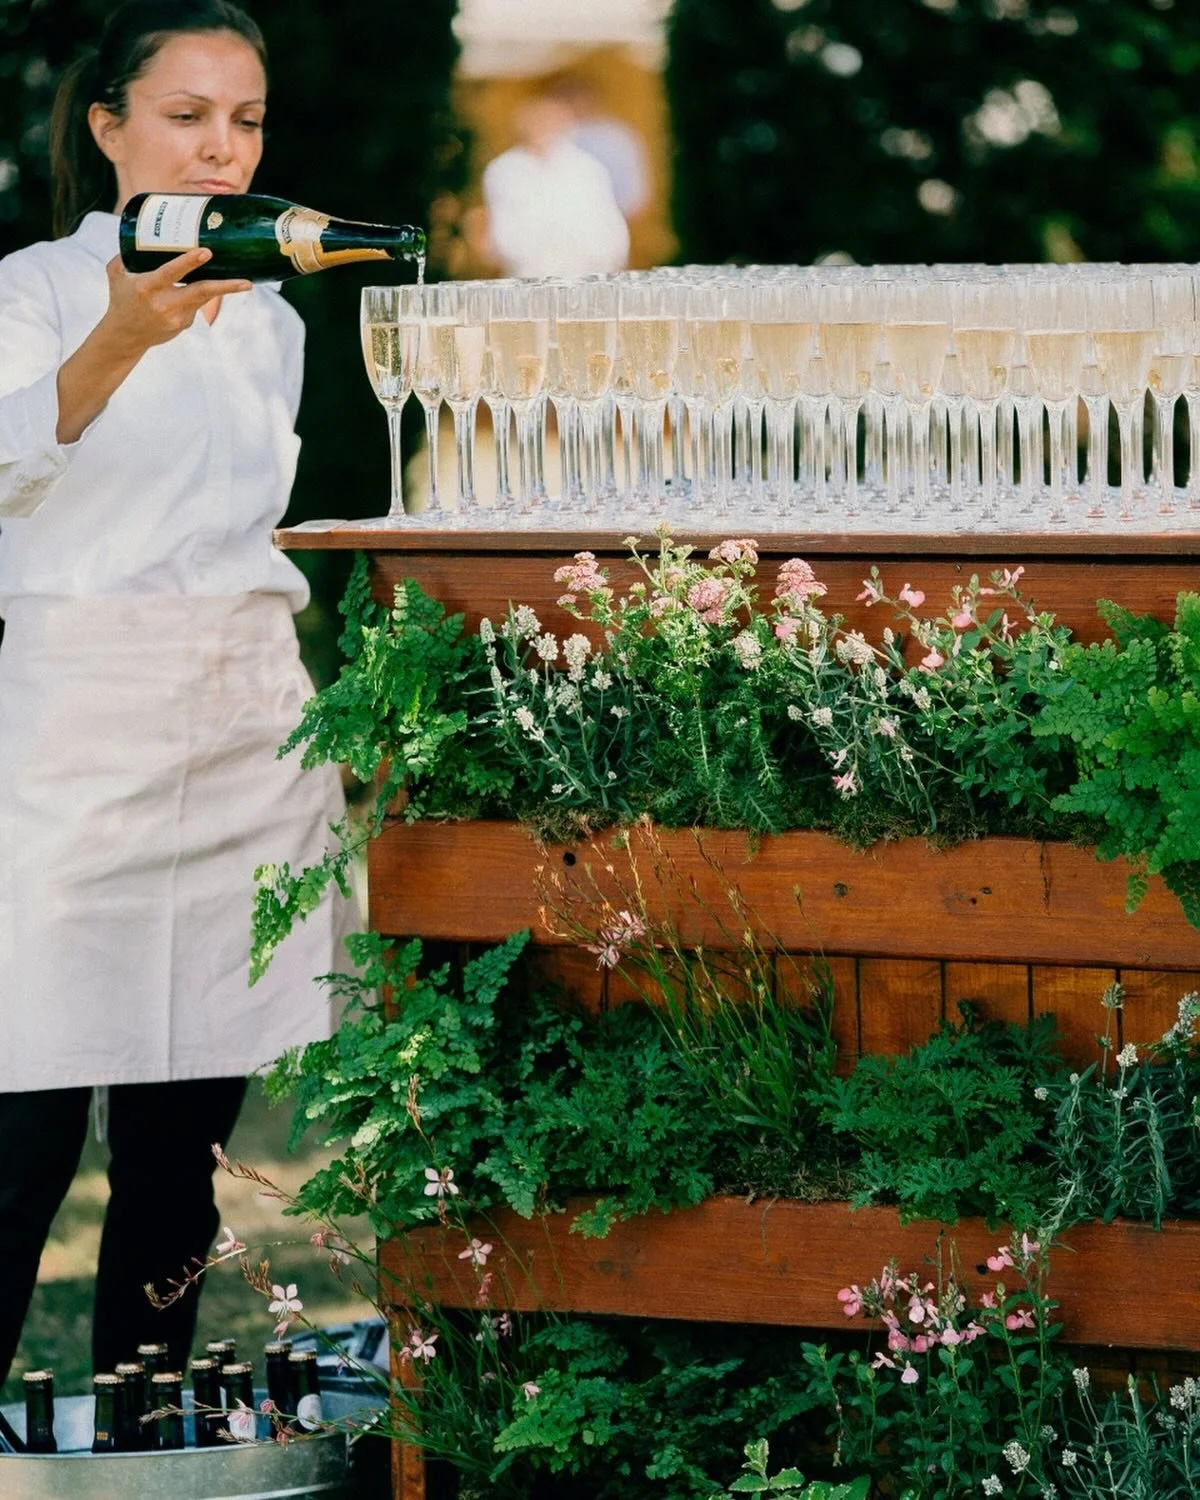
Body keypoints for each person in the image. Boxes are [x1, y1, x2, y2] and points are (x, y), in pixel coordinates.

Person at [0, 0, 353, 1385]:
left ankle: (142, 1444)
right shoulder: (35, 288)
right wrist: (119, 336)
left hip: (242, 740)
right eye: (186, 115)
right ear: (109, 127)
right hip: (76, 746)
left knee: (176, 1167)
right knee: (20, 1143)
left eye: (245, 121)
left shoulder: (273, 320)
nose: (222, 149)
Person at [480, 90, 629, 280]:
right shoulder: (504, 170)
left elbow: (608, 222)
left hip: (587, 275)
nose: (544, 130)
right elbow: (505, 233)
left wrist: (609, 260)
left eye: (551, 124)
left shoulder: (587, 167)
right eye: (538, 123)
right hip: (529, 277)